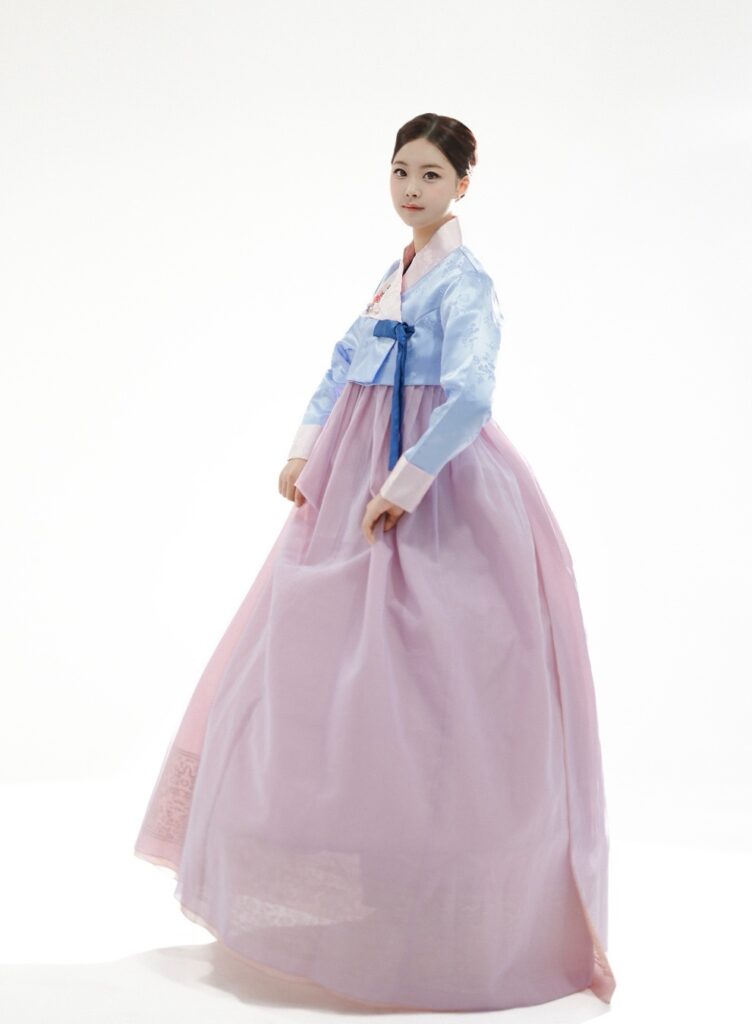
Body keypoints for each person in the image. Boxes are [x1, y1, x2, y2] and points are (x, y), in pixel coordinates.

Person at [133, 112, 616, 1012]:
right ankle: (347, 893)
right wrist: (306, 447)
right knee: (315, 671)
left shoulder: (466, 284)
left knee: (433, 688)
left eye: (431, 175)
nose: (411, 190)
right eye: (400, 172)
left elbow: (471, 394)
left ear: (463, 184)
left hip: (431, 489)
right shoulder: (393, 276)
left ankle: (448, 913)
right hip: (351, 477)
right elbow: (339, 365)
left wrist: (406, 481)